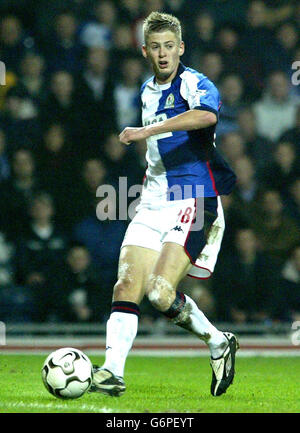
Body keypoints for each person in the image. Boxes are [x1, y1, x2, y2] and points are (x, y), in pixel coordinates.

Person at [91, 11, 238, 398]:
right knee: (126, 284)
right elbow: (156, 155)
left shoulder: (195, 83)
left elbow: (206, 115)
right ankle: (111, 372)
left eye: (169, 46)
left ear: (181, 48)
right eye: (155, 46)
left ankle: (218, 342)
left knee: (159, 292)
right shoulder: (145, 91)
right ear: (144, 50)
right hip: (154, 200)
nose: (163, 54)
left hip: (195, 198)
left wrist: (148, 129)